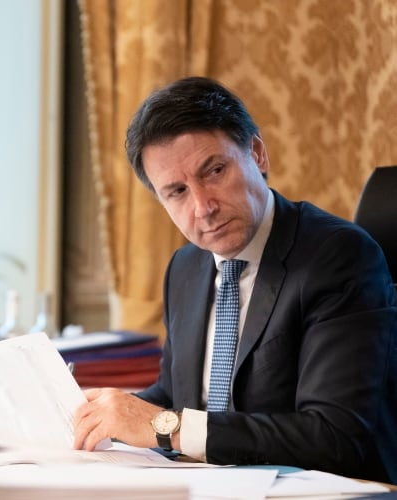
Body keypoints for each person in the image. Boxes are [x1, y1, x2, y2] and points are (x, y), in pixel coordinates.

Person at [72, 76, 397, 484]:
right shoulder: (186, 268)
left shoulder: (339, 257)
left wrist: (165, 426)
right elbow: (179, 400)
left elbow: (333, 435)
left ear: (257, 154)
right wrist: (109, 410)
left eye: (215, 170)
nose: (203, 207)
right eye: (176, 191)